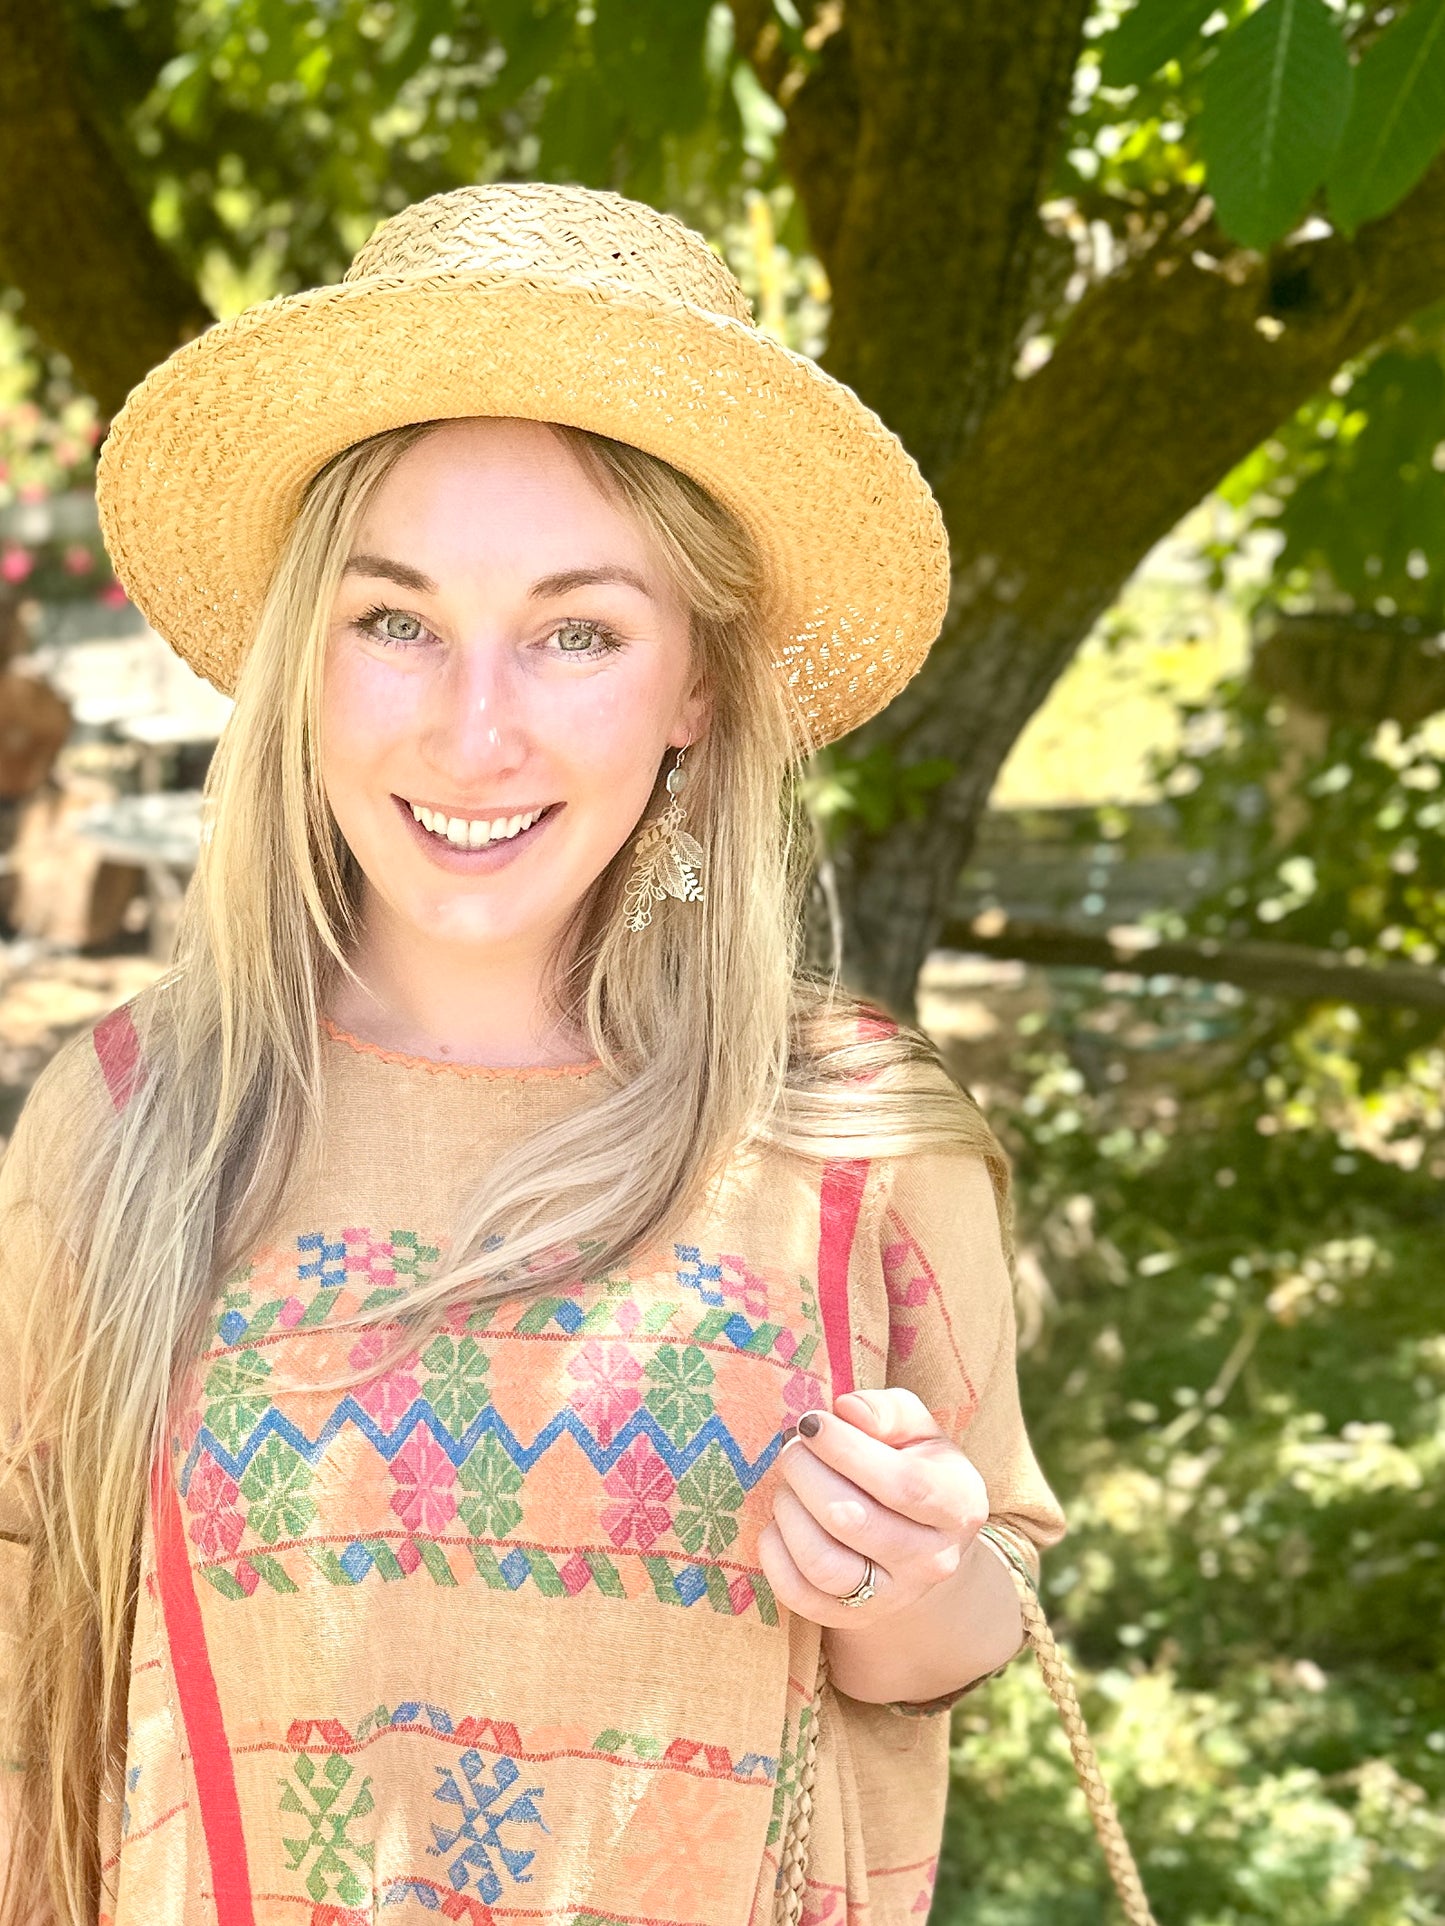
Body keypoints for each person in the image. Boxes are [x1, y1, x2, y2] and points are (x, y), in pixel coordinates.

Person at [0, 183, 1064, 1926]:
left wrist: (911, 1569)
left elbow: (957, 1634)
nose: (472, 726)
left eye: (577, 630)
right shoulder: (131, 1123)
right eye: (393, 618)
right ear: (303, 660)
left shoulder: (853, 1138)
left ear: (696, 685)